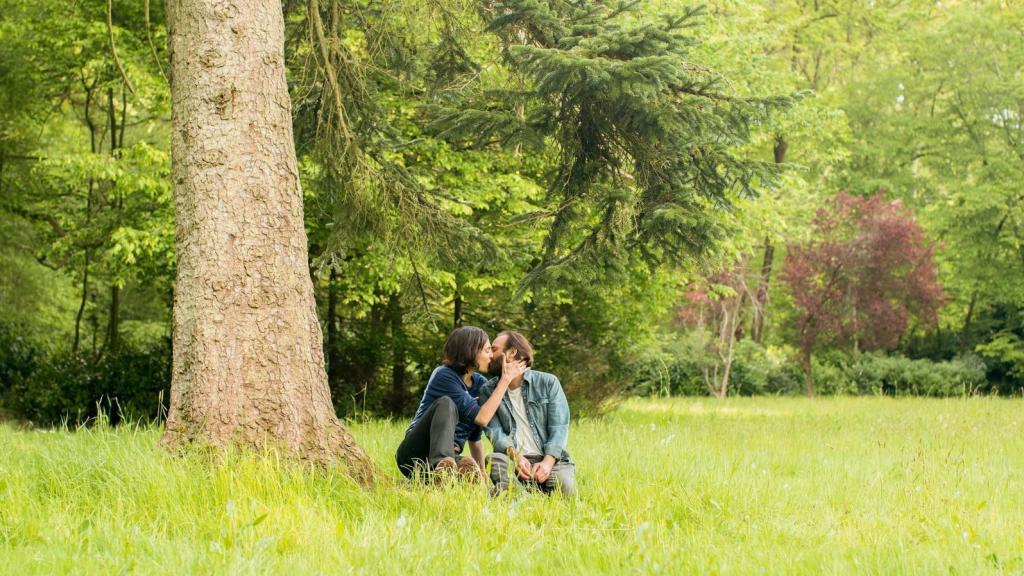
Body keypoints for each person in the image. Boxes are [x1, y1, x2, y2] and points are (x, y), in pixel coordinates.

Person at [395, 325, 526, 482]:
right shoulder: (444, 375)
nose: (491, 355)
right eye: (486, 350)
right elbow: (482, 417)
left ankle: (443, 477)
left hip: (451, 455)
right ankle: (442, 467)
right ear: (470, 351)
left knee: (468, 465)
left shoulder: (480, 385)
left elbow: (475, 438)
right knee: (446, 403)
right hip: (415, 453)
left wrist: (483, 475)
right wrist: (505, 380)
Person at [478, 330, 575, 496]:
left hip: (549, 459)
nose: (489, 355)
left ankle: (520, 493)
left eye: (493, 349)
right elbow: (495, 432)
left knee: (565, 490)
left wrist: (547, 462)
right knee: (494, 461)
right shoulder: (487, 391)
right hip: (512, 459)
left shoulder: (547, 382)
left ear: (512, 352)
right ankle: (523, 494)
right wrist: (516, 457)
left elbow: (559, 427)